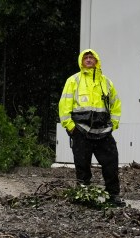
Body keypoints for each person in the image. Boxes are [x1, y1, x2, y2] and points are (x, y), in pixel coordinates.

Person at [58, 49, 123, 205]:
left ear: (96, 61)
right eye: (85, 57)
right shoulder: (73, 80)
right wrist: (70, 126)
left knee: (111, 163)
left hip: (104, 131)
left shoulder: (106, 82)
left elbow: (116, 104)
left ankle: (113, 195)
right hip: (81, 130)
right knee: (82, 164)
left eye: (91, 57)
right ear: (81, 61)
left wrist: (113, 124)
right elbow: (64, 104)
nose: (88, 59)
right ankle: (83, 195)